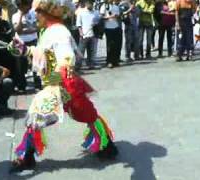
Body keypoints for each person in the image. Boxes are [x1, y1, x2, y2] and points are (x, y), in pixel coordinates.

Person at [8, 0, 118, 172]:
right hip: (59, 84)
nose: (35, 15)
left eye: (38, 12)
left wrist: (54, 83)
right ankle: (28, 157)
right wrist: (24, 50)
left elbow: (66, 62)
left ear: (48, 13)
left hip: (63, 85)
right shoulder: (49, 30)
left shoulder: (59, 32)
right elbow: (44, 55)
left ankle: (107, 146)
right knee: (37, 117)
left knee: (85, 114)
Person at [12, 0, 41, 91]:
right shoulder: (15, 16)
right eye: (26, 5)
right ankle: (22, 86)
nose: (28, 7)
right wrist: (21, 16)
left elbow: (38, 27)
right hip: (19, 42)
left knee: (35, 63)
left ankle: (37, 85)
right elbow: (18, 30)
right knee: (20, 65)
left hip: (33, 41)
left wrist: (27, 30)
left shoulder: (33, 13)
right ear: (20, 6)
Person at [76, 0, 98, 70]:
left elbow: (98, 22)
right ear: (86, 3)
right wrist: (81, 32)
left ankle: (90, 64)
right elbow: (78, 24)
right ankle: (78, 65)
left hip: (92, 34)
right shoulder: (81, 12)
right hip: (84, 35)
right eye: (89, 3)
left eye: (91, 3)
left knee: (91, 51)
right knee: (81, 50)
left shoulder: (95, 13)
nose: (90, 5)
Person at [100, 0, 122, 68]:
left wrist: (117, 16)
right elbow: (101, 17)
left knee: (117, 45)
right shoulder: (104, 6)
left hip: (116, 27)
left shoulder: (116, 6)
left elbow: (119, 16)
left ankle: (115, 60)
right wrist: (110, 17)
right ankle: (109, 61)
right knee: (110, 45)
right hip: (108, 28)